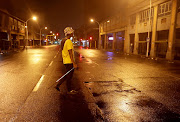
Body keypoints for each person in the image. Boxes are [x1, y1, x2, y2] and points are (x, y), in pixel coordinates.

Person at [55, 27, 78, 94]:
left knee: (67, 75)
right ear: (69, 33)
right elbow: (70, 53)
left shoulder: (63, 41)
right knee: (69, 77)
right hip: (69, 61)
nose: (73, 33)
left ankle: (58, 85)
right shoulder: (68, 41)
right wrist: (74, 63)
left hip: (65, 61)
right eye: (72, 32)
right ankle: (69, 90)